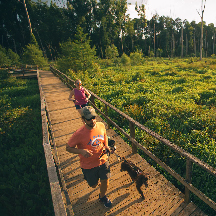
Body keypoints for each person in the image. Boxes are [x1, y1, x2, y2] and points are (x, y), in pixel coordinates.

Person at [66, 106, 112, 208]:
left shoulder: (101, 125)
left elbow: (104, 136)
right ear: (83, 119)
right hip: (88, 165)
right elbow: (68, 148)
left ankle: (102, 196)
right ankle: (91, 180)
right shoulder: (79, 134)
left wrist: (106, 145)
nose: (92, 121)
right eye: (89, 119)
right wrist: (81, 151)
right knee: (93, 185)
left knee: (105, 180)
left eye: (94, 117)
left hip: (103, 159)